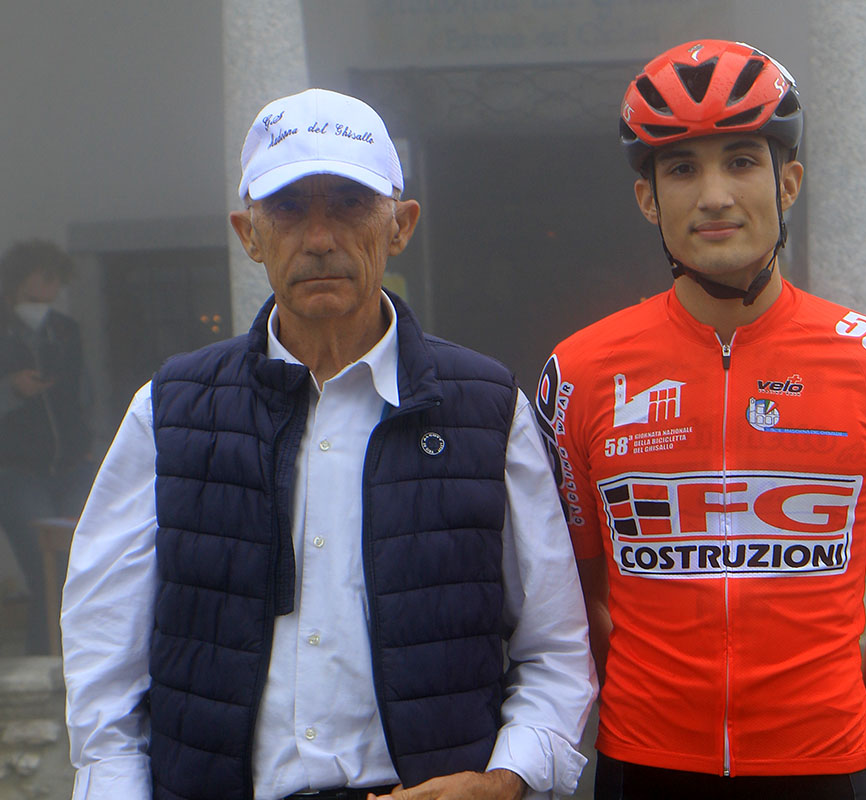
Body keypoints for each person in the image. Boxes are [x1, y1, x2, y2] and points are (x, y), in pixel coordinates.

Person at [61, 88, 596, 800]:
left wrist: (505, 779)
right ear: (248, 234)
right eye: (287, 209)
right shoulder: (171, 411)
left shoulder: (486, 408)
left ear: (400, 225)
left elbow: (555, 646)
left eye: (349, 204)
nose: (319, 238)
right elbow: (104, 657)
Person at [532, 40, 866, 800]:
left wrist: (857, 764)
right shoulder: (579, 372)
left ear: (789, 183)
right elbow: (577, 596)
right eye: (682, 168)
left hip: (825, 766)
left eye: (742, 161)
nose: (714, 194)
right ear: (648, 200)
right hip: (644, 765)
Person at [0, 240, 92, 655]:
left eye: (58, 279)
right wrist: (12, 389)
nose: (53, 287)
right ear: (22, 277)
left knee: (75, 567)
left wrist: (89, 444)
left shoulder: (65, 329)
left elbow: (82, 392)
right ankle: (45, 664)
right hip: (17, 469)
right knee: (43, 570)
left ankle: (68, 661)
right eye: (46, 276)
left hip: (71, 465)